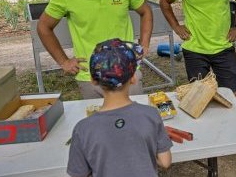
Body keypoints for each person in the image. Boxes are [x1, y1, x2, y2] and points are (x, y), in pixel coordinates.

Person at [37, 0, 153, 99]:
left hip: (127, 74)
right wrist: (64, 62)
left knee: (133, 123)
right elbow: (43, 27)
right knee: (97, 122)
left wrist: (145, 44)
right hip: (90, 79)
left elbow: (146, 11)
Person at [67, 38, 172, 177]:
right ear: (133, 78)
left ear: (93, 80)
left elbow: (78, 173)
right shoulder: (151, 115)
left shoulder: (83, 129)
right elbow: (165, 162)